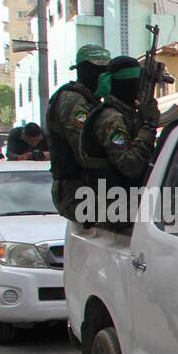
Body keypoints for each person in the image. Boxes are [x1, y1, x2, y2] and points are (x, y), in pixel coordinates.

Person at [76, 54, 159, 229]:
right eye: (139, 83)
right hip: (115, 210)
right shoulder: (111, 119)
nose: (141, 89)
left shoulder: (126, 115)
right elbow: (131, 166)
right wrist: (149, 125)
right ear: (128, 85)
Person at [47, 43, 111, 221]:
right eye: (97, 69)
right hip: (76, 189)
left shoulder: (91, 101)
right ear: (82, 70)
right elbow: (86, 149)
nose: (103, 75)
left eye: (105, 69)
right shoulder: (73, 100)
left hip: (89, 188)